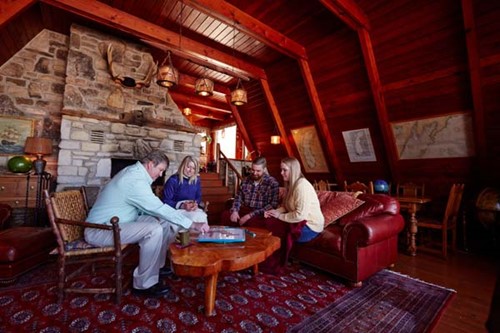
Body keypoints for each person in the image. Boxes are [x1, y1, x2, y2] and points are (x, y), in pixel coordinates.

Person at [85, 150, 210, 297]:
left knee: (162, 221)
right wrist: (193, 224)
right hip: (100, 229)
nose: (161, 174)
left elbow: (153, 209)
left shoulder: (136, 174)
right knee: (153, 229)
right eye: (161, 170)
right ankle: (144, 284)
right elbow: (158, 207)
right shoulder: (134, 179)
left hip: (122, 221)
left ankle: (157, 267)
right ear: (151, 165)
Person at [252, 157, 324, 274]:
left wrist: (279, 217)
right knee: (267, 221)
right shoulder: (291, 184)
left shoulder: (302, 186)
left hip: (310, 226)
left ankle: (272, 263)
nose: (281, 173)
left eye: (284, 170)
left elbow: (300, 215)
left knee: (276, 228)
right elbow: (287, 206)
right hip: (299, 220)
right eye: (281, 170)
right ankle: (260, 257)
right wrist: (275, 212)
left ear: (293, 170)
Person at [221, 156, 280, 226]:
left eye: (258, 171)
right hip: (245, 209)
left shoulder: (272, 183)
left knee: (252, 223)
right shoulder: (246, 180)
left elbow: (272, 205)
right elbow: (238, 198)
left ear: (264, 169)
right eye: (253, 170)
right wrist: (235, 210)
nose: (254, 173)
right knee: (225, 215)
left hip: (260, 213)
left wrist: (250, 215)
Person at [162, 156, 207, 224]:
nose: (190, 170)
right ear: (183, 166)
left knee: (203, 216)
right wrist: (182, 205)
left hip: (192, 209)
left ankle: (202, 234)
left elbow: (198, 197)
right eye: (188, 167)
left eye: (193, 168)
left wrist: (195, 204)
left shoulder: (196, 180)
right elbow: (165, 201)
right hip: (176, 210)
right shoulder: (173, 180)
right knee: (196, 217)